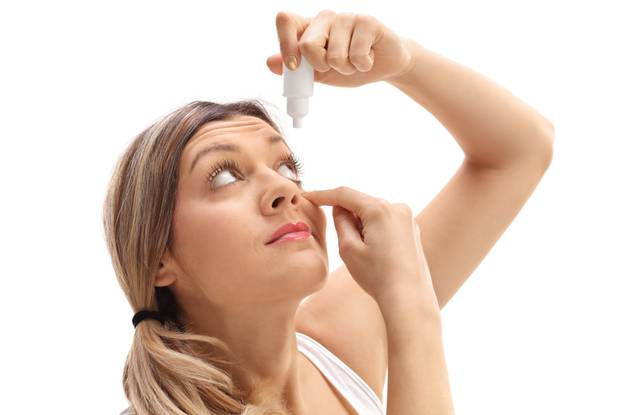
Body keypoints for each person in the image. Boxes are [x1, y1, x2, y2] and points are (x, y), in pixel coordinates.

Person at [107, 9, 554, 415]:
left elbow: (521, 150)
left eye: (288, 167)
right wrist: (411, 307)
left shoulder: (332, 341)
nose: (282, 187)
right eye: (225, 177)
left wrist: (404, 64)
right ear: (158, 258)